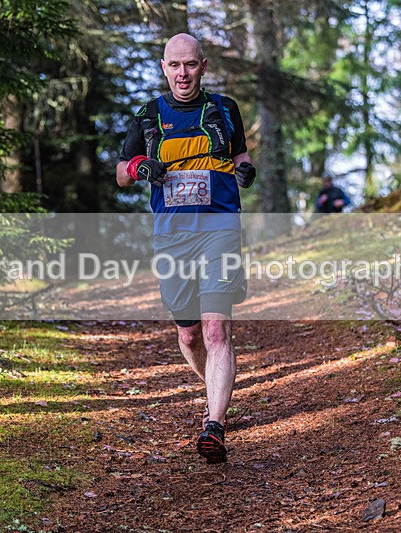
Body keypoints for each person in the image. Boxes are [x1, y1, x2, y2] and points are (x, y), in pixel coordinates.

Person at [116, 33, 255, 464]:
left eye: (190, 65)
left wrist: (245, 169)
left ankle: (215, 423)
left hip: (219, 229)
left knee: (216, 329)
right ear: (163, 67)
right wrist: (140, 166)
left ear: (203, 66)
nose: (182, 73)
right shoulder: (147, 116)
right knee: (190, 332)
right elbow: (120, 173)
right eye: (174, 65)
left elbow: (240, 154)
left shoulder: (224, 109)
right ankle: (214, 388)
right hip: (172, 236)